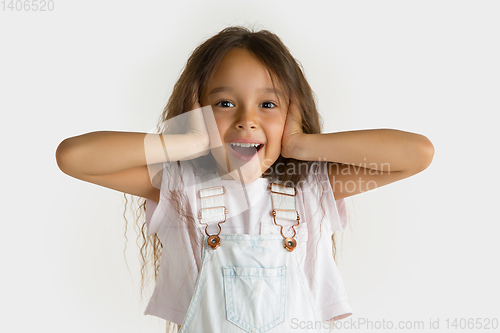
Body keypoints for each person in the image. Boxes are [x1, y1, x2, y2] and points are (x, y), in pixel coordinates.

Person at [55, 26, 434, 333]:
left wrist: (303, 145)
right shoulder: (180, 187)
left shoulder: (310, 189)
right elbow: (74, 158)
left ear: (293, 114)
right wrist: (187, 140)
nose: (246, 119)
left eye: (268, 105)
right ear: (199, 109)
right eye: (224, 103)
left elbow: (416, 154)